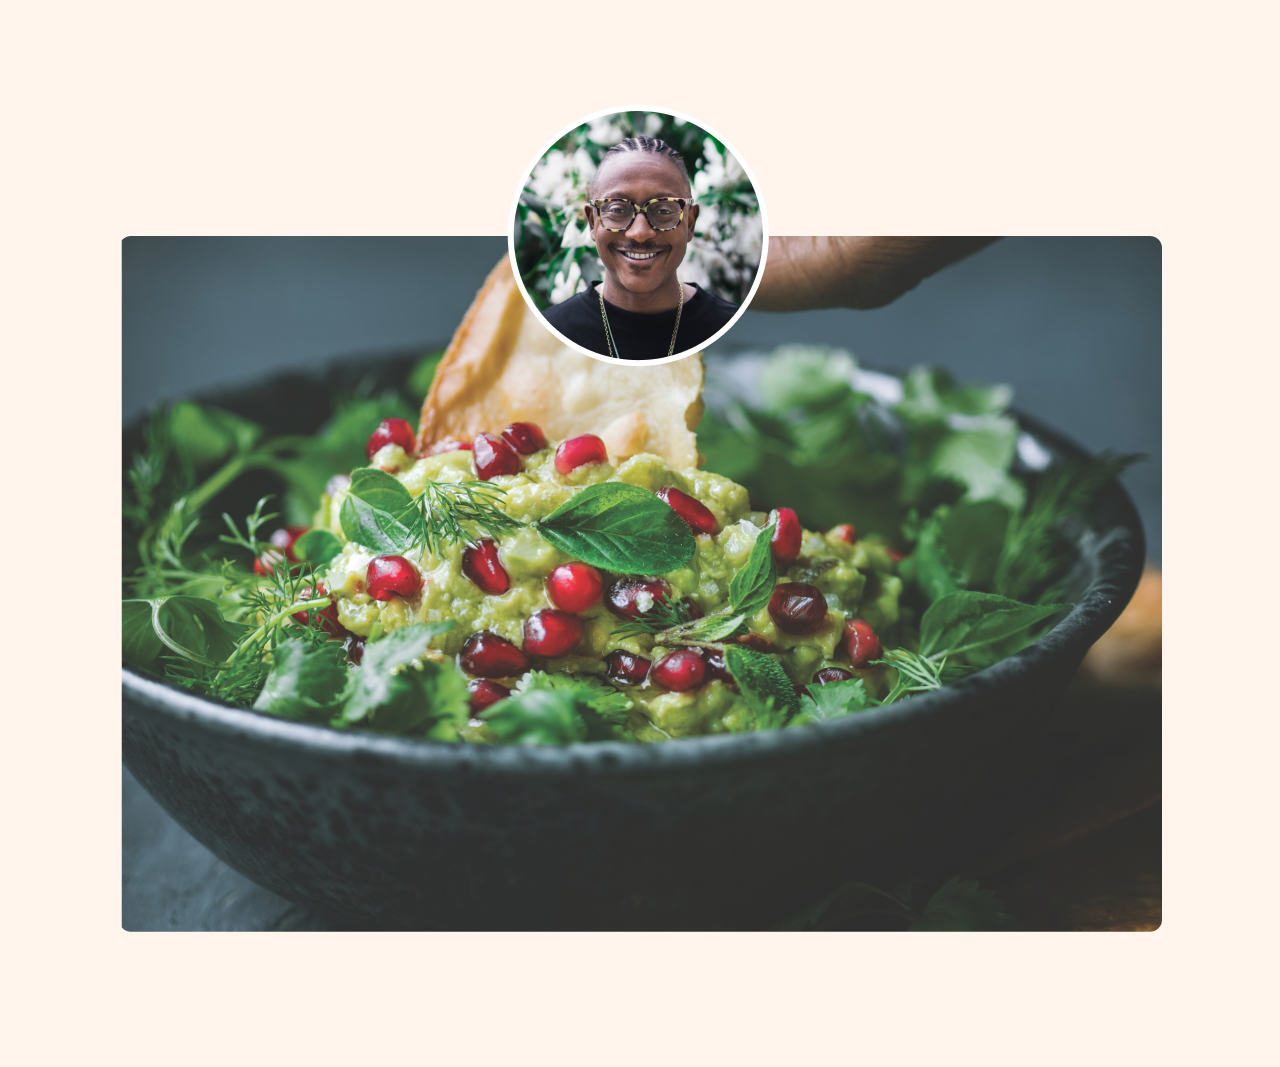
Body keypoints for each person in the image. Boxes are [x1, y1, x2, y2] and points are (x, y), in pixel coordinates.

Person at [542, 137, 739, 360]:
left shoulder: (733, 330)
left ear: (690, 223)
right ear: (592, 223)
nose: (640, 232)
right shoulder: (548, 336)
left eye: (663, 210)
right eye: (617, 209)